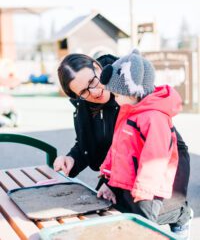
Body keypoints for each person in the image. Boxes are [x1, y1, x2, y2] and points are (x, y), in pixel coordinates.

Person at [53, 53, 190, 233]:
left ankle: (180, 214)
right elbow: (92, 145)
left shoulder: (130, 88)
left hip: (160, 167)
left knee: (138, 214)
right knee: (99, 207)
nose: (94, 92)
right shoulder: (85, 105)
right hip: (123, 168)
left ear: (97, 67)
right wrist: (72, 159)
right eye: (84, 92)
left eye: (93, 82)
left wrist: (120, 184)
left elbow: (154, 150)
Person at [97, 49, 192, 239]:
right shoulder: (128, 110)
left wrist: (145, 191)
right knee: (123, 223)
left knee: (143, 230)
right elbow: (116, 149)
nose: (114, 99)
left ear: (132, 92)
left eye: (116, 94)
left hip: (148, 190)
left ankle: (180, 216)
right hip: (128, 183)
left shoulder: (153, 117)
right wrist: (108, 180)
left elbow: (155, 158)